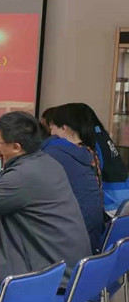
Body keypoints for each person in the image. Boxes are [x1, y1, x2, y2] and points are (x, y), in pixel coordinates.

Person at [0, 112, 90, 285]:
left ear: (16, 147)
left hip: (52, 277)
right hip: (68, 266)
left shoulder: (23, 174)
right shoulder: (46, 162)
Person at [43, 104, 105, 253]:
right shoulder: (91, 151)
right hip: (93, 233)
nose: (51, 133)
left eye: (52, 128)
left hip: (69, 236)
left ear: (64, 128)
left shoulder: (55, 150)